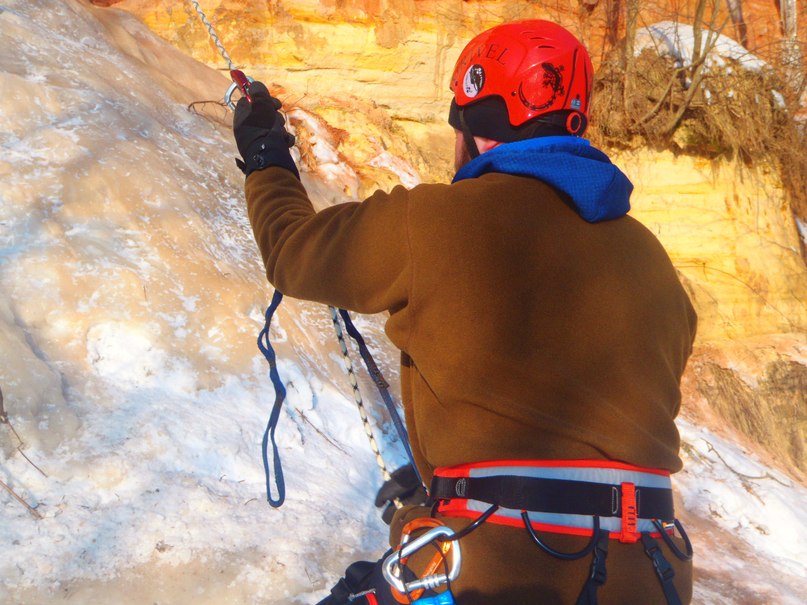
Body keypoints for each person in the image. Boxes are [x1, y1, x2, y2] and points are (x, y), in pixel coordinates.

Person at [233, 19, 697, 605]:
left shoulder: (436, 220)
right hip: (655, 571)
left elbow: (292, 252)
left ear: (476, 126)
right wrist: (436, 498)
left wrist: (266, 156)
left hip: (503, 566)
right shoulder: (653, 261)